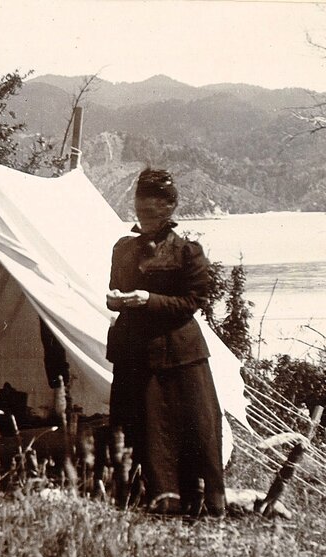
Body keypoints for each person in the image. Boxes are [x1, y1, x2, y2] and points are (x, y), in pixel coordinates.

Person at [105, 168, 226, 517]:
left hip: (179, 354)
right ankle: (151, 501)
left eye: (155, 207)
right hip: (134, 353)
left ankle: (197, 503)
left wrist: (149, 299)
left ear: (170, 208)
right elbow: (114, 290)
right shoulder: (123, 249)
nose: (146, 213)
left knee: (192, 429)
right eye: (142, 206)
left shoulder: (188, 252)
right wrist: (116, 300)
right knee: (142, 428)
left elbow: (193, 303)